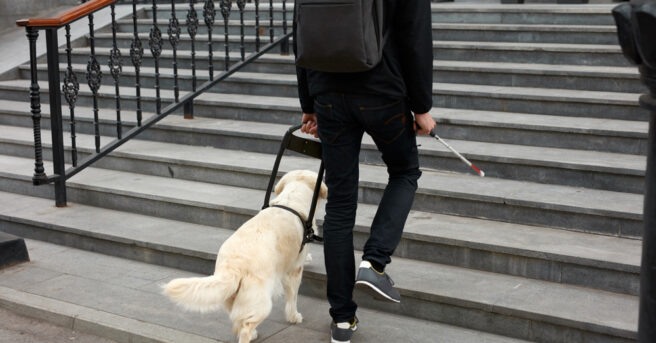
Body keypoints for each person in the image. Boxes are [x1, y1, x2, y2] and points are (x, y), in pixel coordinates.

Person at [294, 1, 436, 342]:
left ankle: (342, 321)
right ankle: (373, 263)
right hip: (382, 88)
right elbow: (415, 34)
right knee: (404, 172)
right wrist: (422, 106)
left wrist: (308, 104)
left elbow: (300, 29)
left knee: (340, 204)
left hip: (326, 89)